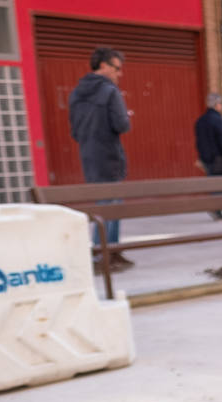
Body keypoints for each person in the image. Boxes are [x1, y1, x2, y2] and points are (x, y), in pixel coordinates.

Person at [69, 47, 132, 271]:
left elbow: (74, 131)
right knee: (112, 206)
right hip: (110, 156)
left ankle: (105, 253)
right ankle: (106, 255)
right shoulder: (109, 91)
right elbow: (122, 125)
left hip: (89, 156)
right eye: (117, 68)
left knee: (101, 206)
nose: (119, 73)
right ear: (103, 65)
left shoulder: (76, 92)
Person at [194, 92, 222, 220]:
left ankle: (215, 209)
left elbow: (198, 142)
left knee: (213, 184)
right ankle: (216, 210)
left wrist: (202, 157)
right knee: (219, 185)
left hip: (207, 159)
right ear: (217, 105)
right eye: (220, 104)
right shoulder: (217, 120)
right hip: (218, 159)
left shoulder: (200, 121)